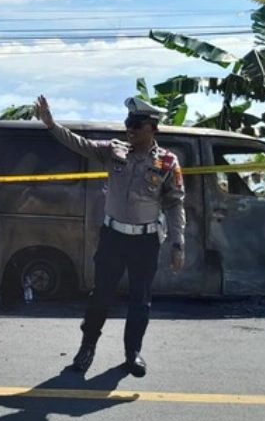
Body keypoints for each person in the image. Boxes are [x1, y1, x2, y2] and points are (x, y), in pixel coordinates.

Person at [34, 95, 186, 377]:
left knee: (140, 300)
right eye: (128, 122)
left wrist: (178, 243)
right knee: (100, 295)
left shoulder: (167, 161)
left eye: (137, 124)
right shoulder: (114, 150)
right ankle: (86, 348)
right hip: (113, 238)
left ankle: (133, 353)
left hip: (146, 241)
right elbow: (80, 144)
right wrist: (51, 124)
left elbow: (175, 203)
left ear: (153, 128)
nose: (130, 128)